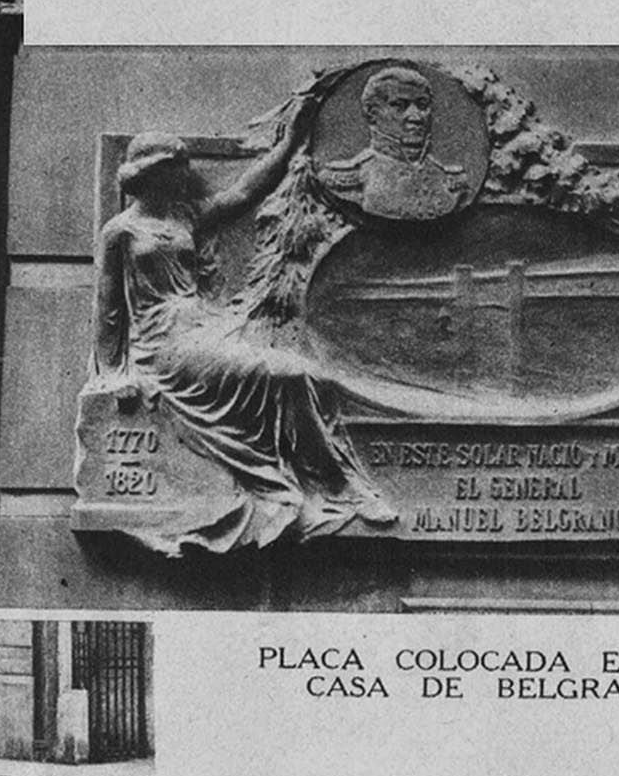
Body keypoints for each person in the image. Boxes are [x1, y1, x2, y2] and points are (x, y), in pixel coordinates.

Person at [91, 119, 396, 557]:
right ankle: (337, 484)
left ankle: (331, 480)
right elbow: (108, 310)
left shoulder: (186, 217)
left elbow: (244, 193)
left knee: (306, 372)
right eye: (177, 167)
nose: (186, 174)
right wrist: (111, 374)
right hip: (166, 346)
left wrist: (289, 144)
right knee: (285, 374)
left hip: (208, 325)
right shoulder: (120, 231)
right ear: (154, 173)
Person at [319, 65, 468, 219]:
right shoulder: (347, 179)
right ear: (372, 113)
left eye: (422, 105)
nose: (416, 117)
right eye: (399, 105)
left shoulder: (450, 180)